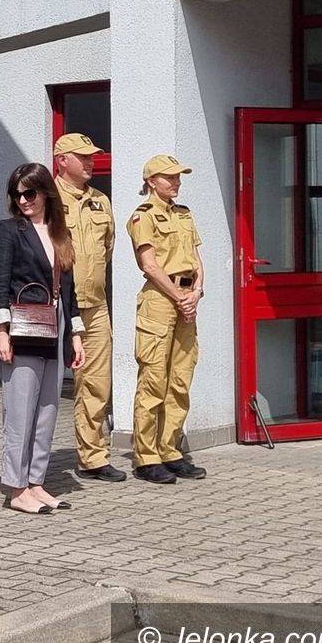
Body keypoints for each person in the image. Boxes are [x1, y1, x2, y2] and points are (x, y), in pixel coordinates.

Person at [0, 163, 86, 514]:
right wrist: (1, 332)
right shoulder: (9, 230)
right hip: (23, 326)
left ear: (46, 192)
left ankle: (36, 482)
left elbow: (69, 289)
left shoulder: (61, 233)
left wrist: (76, 334)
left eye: (29, 192)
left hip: (55, 325)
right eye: (17, 194)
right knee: (19, 411)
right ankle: (15, 489)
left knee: (47, 408)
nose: (23, 200)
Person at [128, 155, 206, 484]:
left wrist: (197, 293)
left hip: (187, 299)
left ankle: (170, 449)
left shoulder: (184, 214)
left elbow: (197, 259)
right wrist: (178, 297)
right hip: (160, 300)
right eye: (169, 177)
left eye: (178, 177)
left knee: (180, 378)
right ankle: (147, 456)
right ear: (151, 181)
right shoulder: (143, 216)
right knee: (153, 380)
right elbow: (149, 265)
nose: (176, 182)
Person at [52, 133, 124, 483]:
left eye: (92, 155)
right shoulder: (45, 198)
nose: (91, 161)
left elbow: (106, 250)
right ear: (62, 160)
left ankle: (93, 457)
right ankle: (31, 463)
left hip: (93, 306)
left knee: (96, 383)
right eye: (82, 156)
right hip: (55, 306)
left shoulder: (100, 201)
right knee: (40, 386)